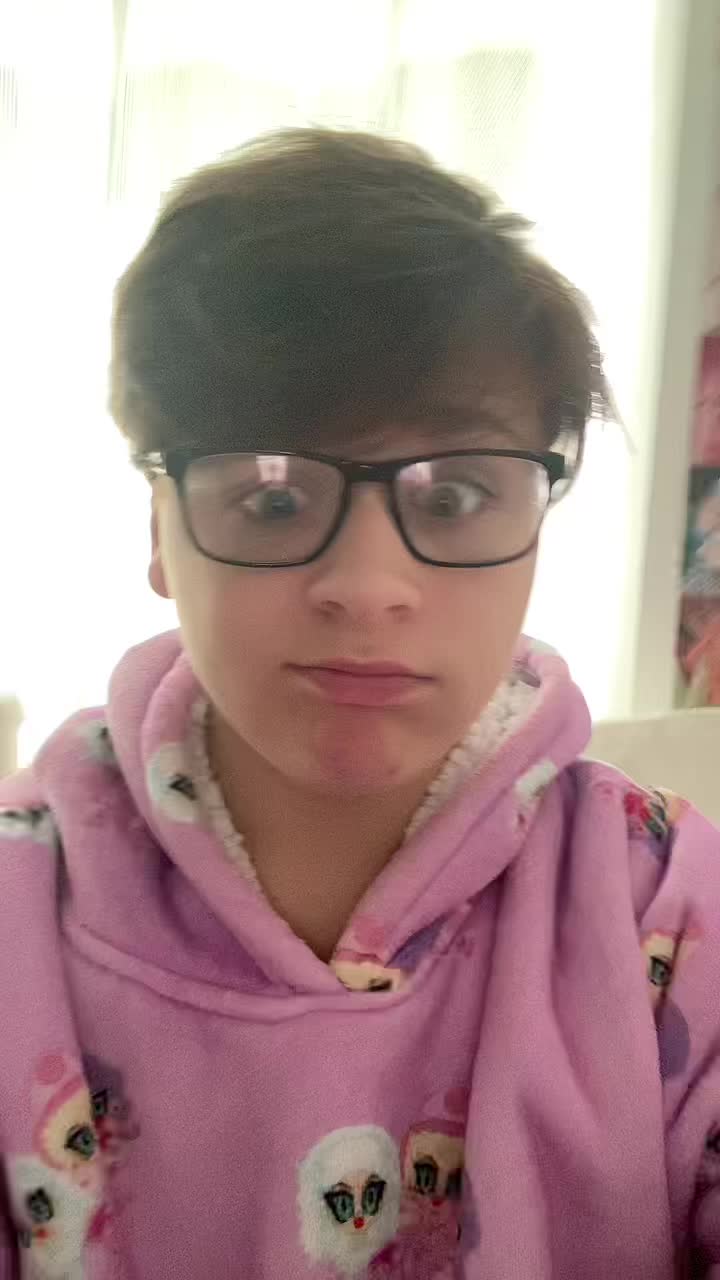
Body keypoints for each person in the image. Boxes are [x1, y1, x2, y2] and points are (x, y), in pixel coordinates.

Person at [0, 128, 719, 1280]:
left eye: (458, 495)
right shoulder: (20, 912)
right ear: (160, 529)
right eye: (275, 498)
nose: (371, 587)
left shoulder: (669, 909)